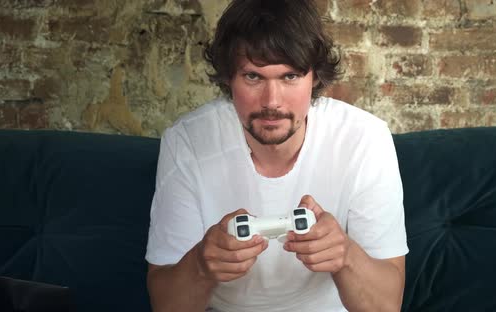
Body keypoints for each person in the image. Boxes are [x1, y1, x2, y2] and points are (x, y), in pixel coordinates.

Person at [145, 0, 409, 311]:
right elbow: (165, 305)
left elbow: (387, 306)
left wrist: (345, 257)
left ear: (315, 78)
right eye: (253, 77)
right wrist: (201, 267)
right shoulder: (187, 141)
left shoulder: (366, 139)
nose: (272, 101)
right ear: (229, 78)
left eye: (290, 77)